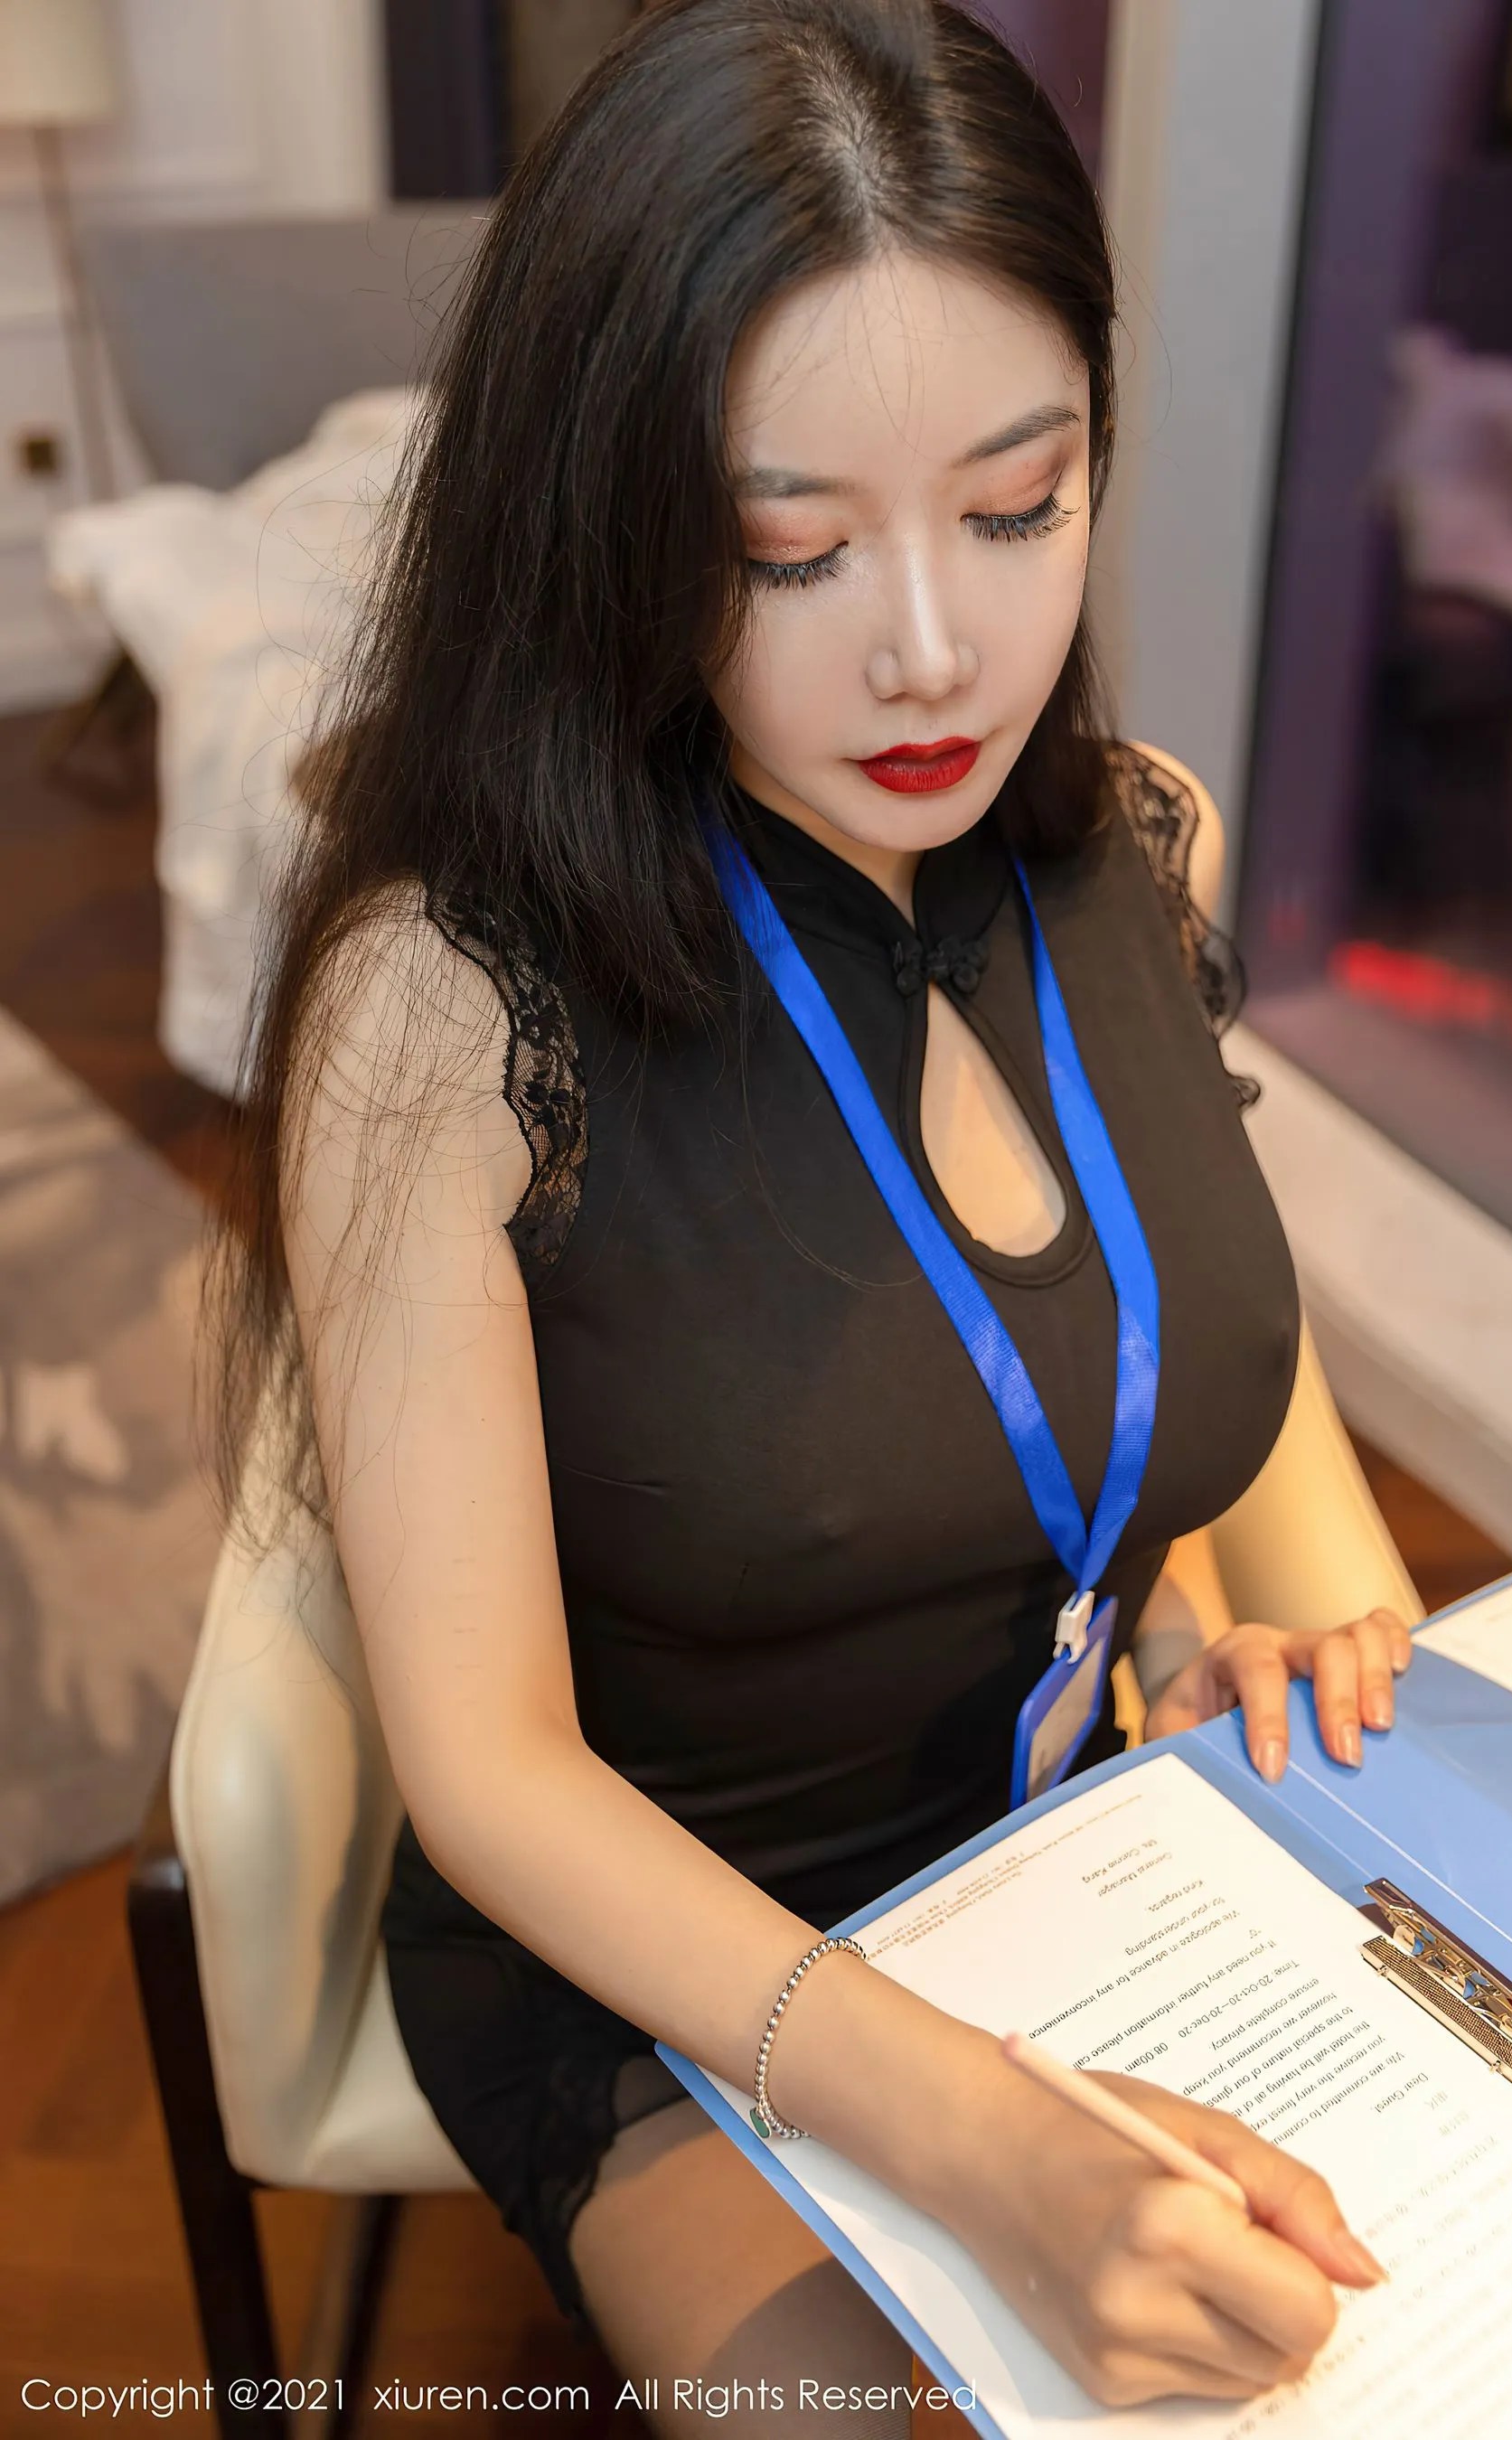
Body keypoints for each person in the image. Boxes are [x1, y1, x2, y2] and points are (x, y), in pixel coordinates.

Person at [202, 0, 1410, 2424]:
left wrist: (1279, 1617)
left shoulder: (1131, 839)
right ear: (616, 525)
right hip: (671, 1977)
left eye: (1016, 506)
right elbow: (495, 1776)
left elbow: (1175, 1319)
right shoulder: (446, 1012)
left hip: (1089, 1854)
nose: (934, 649)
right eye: (792, 547)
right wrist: (997, 2143)